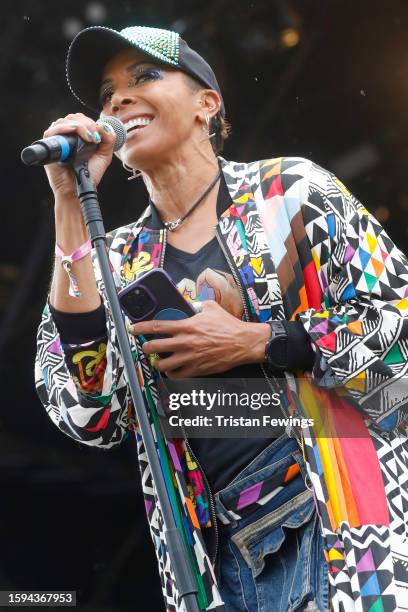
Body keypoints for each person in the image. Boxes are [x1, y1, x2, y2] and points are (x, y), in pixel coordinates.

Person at [35, 24, 408, 612]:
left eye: (145, 77)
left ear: (207, 103)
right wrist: (68, 204)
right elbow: (89, 411)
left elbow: (399, 340)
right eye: (107, 95)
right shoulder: (120, 261)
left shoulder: (290, 194)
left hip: (335, 521)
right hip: (213, 559)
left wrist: (260, 341)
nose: (118, 101)